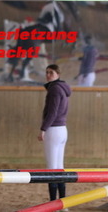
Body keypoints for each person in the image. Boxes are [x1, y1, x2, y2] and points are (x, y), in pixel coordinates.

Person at [38, 64, 72, 203]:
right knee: (59, 168)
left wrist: (43, 128)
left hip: (53, 129)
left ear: (58, 74)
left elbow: (52, 112)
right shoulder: (62, 88)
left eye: (51, 72)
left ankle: (53, 203)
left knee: (52, 168)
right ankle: (63, 202)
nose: (48, 75)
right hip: (62, 129)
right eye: (47, 72)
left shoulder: (54, 89)